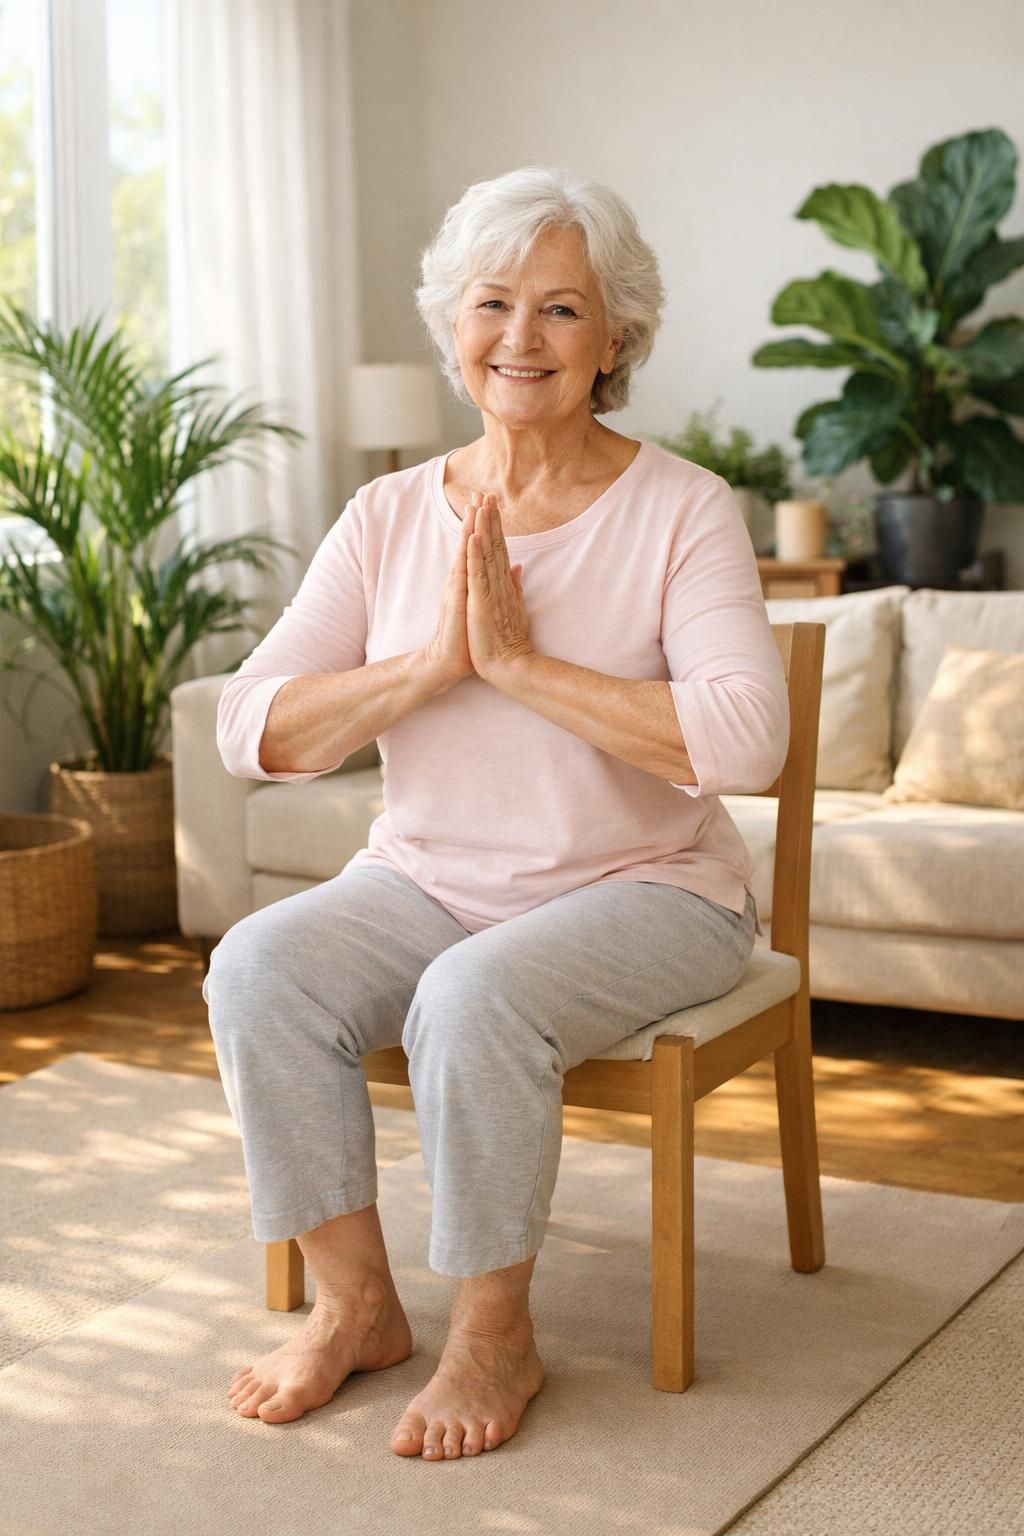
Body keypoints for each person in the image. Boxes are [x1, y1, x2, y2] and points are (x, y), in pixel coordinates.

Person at [204, 165, 789, 1460]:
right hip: (428, 880)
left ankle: (493, 1334)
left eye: (562, 308)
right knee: (256, 970)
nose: (522, 336)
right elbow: (250, 726)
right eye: (493, 302)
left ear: (615, 338)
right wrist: (428, 668)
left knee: (473, 996)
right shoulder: (385, 516)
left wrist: (520, 665)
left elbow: (750, 741)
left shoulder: (682, 508)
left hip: (649, 890)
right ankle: (358, 1308)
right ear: (452, 323)